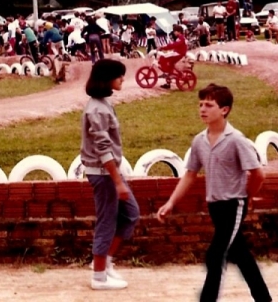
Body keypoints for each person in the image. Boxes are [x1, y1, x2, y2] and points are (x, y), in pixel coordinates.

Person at [157, 84, 272, 302]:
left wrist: (245, 196)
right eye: (200, 104)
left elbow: (257, 174)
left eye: (209, 105)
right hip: (215, 206)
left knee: (215, 254)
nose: (202, 109)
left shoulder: (236, 139)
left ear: (224, 110)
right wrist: (171, 202)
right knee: (240, 255)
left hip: (233, 204)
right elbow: (190, 174)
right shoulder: (199, 141)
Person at [81, 59, 139, 291]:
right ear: (106, 79)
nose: (122, 79)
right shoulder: (97, 109)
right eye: (119, 76)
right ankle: (98, 277)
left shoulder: (103, 104)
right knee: (107, 221)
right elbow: (102, 148)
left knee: (130, 215)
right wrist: (118, 182)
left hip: (109, 171)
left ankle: (106, 264)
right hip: (104, 173)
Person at [158, 24, 188, 89]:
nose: (174, 32)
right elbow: (175, 45)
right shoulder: (181, 38)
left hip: (178, 53)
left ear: (179, 31)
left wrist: (163, 47)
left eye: (175, 31)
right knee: (171, 64)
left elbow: (174, 45)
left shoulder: (181, 38)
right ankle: (168, 82)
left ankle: (166, 73)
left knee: (163, 57)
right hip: (178, 52)